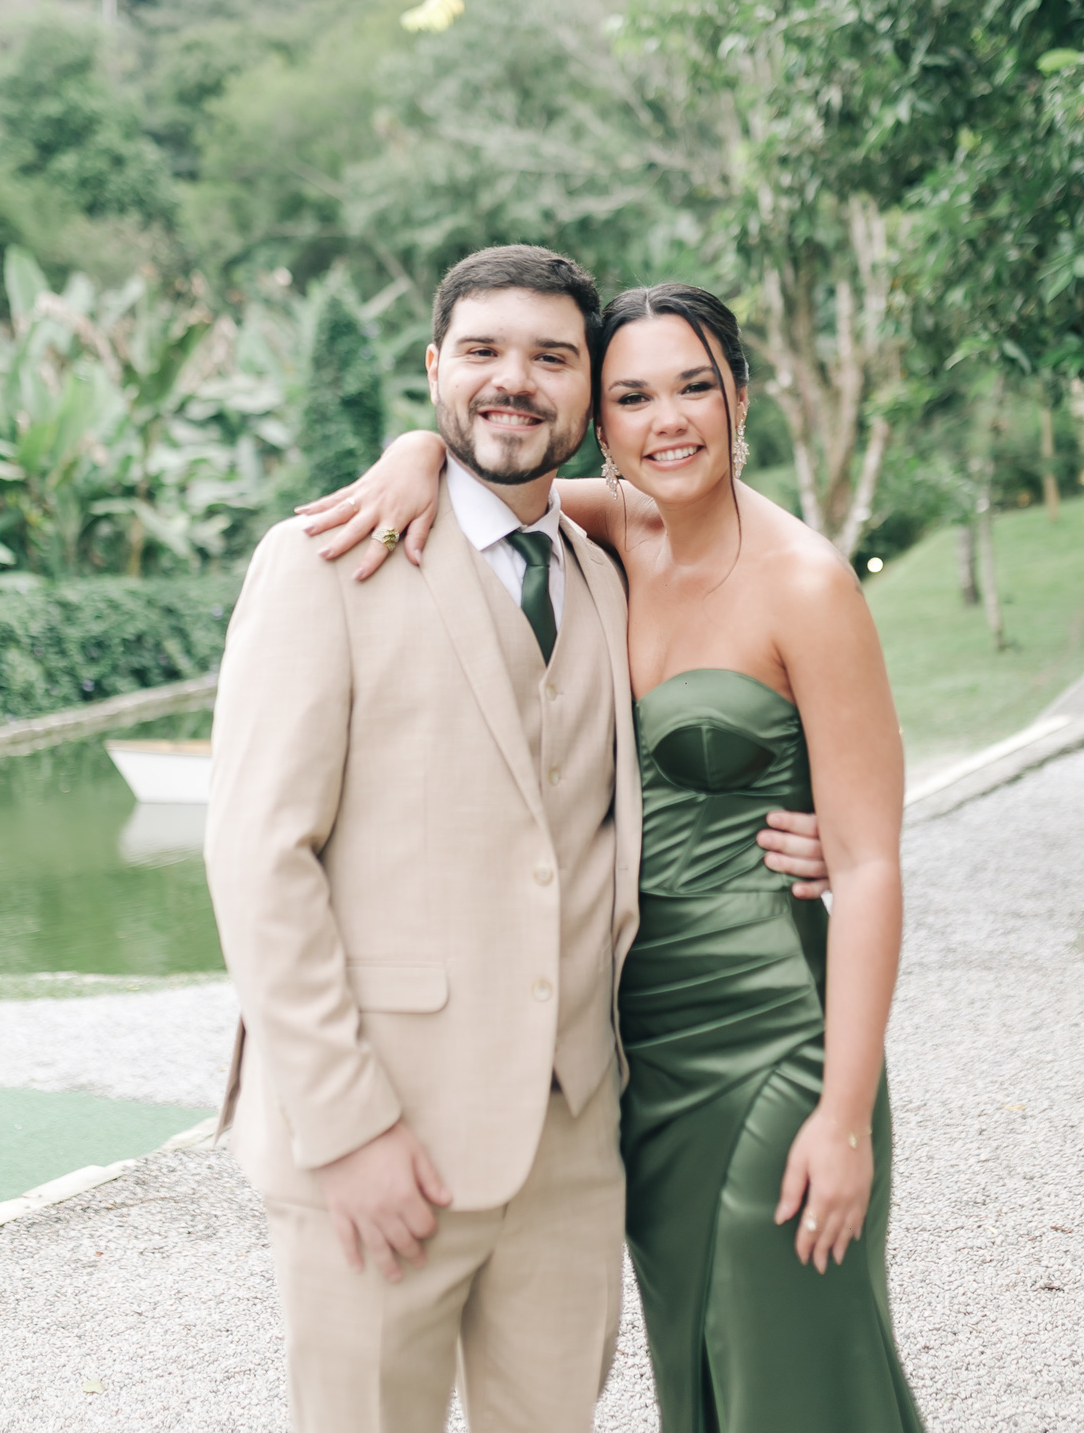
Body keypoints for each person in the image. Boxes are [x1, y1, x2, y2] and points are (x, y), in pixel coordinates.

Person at [205, 247, 829, 1433]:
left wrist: (826, 826)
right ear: (434, 368)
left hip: (571, 1147)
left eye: (552, 358)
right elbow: (256, 863)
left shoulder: (604, 571)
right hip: (379, 1139)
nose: (514, 381)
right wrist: (347, 1130)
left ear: (590, 393)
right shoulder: (323, 563)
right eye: (482, 351)